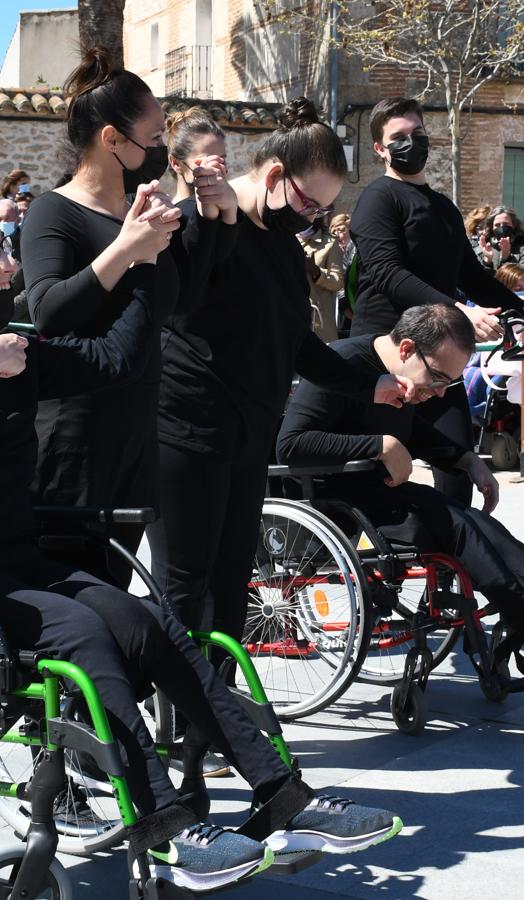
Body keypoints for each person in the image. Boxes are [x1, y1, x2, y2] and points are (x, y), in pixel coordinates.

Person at [0, 196, 401, 891]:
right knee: (85, 633)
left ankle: (283, 795)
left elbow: (117, 359)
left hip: (16, 557)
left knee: (154, 625)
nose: (7, 264)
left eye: (3, 245)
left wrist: (143, 261)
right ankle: (166, 827)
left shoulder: (13, 347)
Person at [151, 96, 411, 646]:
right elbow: (176, 305)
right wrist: (207, 215)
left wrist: (372, 385)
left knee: (231, 582)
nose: (313, 218)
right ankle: (175, 717)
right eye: (310, 205)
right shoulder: (203, 225)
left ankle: (214, 714)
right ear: (274, 175)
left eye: (321, 211)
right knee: (183, 581)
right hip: (187, 430)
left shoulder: (286, 252)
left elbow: (300, 347)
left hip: (249, 438)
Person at [276, 303, 524, 673]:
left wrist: (465, 459)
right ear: (406, 349)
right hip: (335, 505)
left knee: (485, 528)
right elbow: (290, 445)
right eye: (436, 378)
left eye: (447, 383)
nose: (437, 393)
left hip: (379, 495)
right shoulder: (344, 364)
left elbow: (413, 433)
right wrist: (378, 445)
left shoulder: (400, 378)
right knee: (462, 528)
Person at [23, 53, 190, 588]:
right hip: (76, 436)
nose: (163, 147)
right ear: (113, 140)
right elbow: (48, 309)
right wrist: (126, 251)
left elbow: (178, 304)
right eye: (155, 135)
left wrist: (209, 218)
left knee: (115, 587)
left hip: (137, 426)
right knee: (74, 589)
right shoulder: (54, 211)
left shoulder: (139, 214)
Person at [347, 96, 524, 506]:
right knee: (380, 471)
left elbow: (473, 277)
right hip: (387, 353)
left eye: (418, 133)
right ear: (380, 149)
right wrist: (458, 311)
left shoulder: (443, 207)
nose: (412, 143)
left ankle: (449, 566)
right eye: (399, 137)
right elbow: (388, 273)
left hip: (441, 362)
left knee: (457, 464)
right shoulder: (379, 198)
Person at [301, 217, 345, 340]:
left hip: (318, 325)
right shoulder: (282, 237)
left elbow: (337, 282)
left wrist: (315, 271)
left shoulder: (329, 242)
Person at [475, 206, 524, 271]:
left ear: (514, 225)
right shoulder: (484, 249)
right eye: (497, 225)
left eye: (506, 224)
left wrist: (506, 258)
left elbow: (519, 277)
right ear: (491, 227)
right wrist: (487, 260)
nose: (502, 228)